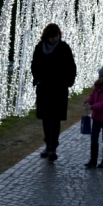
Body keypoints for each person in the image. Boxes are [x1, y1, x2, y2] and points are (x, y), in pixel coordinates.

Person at [31, 23, 77, 162]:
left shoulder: (64, 48)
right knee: (46, 118)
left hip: (58, 89)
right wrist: (38, 79)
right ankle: (47, 145)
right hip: (44, 88)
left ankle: (53, 147)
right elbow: (34, 65)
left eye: (56, 36)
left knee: (55, 119)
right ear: (47, 36)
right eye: (52, 37)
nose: (54, 39)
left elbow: (71, 67)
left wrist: (68, 81)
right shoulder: (40, 48)